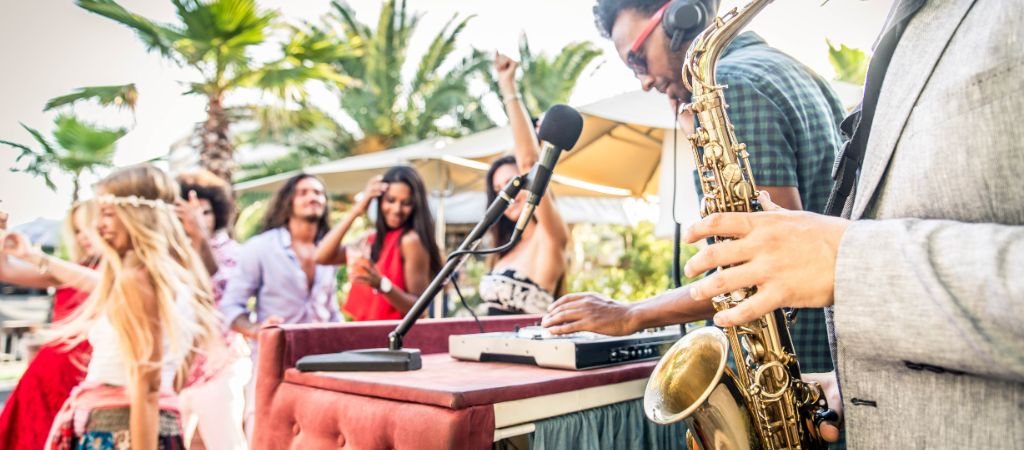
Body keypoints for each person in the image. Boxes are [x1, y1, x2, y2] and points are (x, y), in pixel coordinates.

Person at [676, 0, 1024, 446]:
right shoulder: (906, 25)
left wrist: (849, 263)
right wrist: (854, 383)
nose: (643, 78)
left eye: (635, 58)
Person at [544, 0, 844, 376]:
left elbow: (754, 270)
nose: (644, 81)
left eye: (638, 59)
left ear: (680, 17)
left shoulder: (731, 84)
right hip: (829, 369)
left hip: (785, 375)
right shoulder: (797, 73)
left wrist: (630, 314)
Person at [43, 164, 222, 450]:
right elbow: (173, 380)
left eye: (108, 213)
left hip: (119, 433)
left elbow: (147, 386)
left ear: (138, 215)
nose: (98, 225)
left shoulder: (138, 279)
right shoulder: (181, 279)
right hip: (158, 428)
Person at [219, 173, 340, 440]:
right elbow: (231, 305)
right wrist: (257, 330)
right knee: (264, 436)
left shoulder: (330, 250)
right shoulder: (260, 248)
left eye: (319, 193)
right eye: (304, 192)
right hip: (272, 364)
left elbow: (332, 311)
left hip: (321, 367)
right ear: (288, 202)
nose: (313, 197)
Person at [0, 202, 101, 450]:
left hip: (92, 376)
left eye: (89, 227)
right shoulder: (70, 270)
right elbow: (5, 270)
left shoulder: (127, 273)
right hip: (51, 375)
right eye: (77, 230)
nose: (83, 236)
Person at [479, 52, 571, 315]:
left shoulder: (550, 238)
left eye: (512, 184)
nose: (508, 194)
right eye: (498, 190)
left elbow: (529, 164)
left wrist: (508, 88)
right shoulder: (504, 249)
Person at [175, 170, 250, 450]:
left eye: (204, 213)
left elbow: (214, 284)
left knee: (226, 443)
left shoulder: (234, 253)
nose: (198, 220)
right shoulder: (170, 253)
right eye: (190, 214)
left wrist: (198, 235)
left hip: (219, 368)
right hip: (175, 368)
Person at [314, 166, 443, 321]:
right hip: (366, 336)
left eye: (406, 203)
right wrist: (358, 209)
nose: (397, 209)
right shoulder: (372, 240)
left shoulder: (410, 241)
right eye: (390, 200)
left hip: (393, 340)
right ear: (380, 200)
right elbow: (321, 256)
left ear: (416, 205)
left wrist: (381, 284)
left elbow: (419, 308)